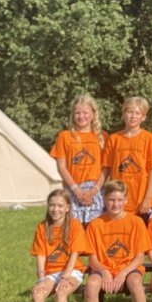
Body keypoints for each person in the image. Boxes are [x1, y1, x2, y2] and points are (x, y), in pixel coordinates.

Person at [82, 180, 152, 302]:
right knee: (91, 285)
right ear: (104, 200)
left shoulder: (136, 222)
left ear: (126, 200)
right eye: (111, 200)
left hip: (128, 268)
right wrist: (104, 271)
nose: (116, 204)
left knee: (136, 283)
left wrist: (123, 273)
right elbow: (92, 259)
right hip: (103, 268)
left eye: (120, 200)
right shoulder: (96, 224)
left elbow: (139, 257)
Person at [29, 189, 86, 302]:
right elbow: (41, 255)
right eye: (52, 205)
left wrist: (66, 277)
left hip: (72, 271)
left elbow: (74, 254)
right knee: (37, 295)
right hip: (51, 273)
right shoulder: (42, 227)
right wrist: (41, 280)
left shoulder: (74, 226)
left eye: (60, 206)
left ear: (67, 207)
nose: (55, 209)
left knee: (61, 293)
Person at [50, 94, 107, 225]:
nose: (81, 116)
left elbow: (106, 167)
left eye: (85, 112)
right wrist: (77, 190)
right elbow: (61, 167)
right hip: (72, 189)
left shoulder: (102, 136)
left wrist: (93, 191)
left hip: (95, 190)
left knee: (95, 230)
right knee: (73, 230)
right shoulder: (64, 136)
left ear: (93, 114)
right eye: (77, 113)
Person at [102, 96, 152, 219]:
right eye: (129, 112)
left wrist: (148, 197)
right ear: (123, 114)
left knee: (141, 230)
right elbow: (106, 168)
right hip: (118, 200)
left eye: (137, 113)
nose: (133, 116)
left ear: (143, 117)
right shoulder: (114, 139)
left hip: (141, 200)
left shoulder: (148, 138)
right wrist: (97, 190)